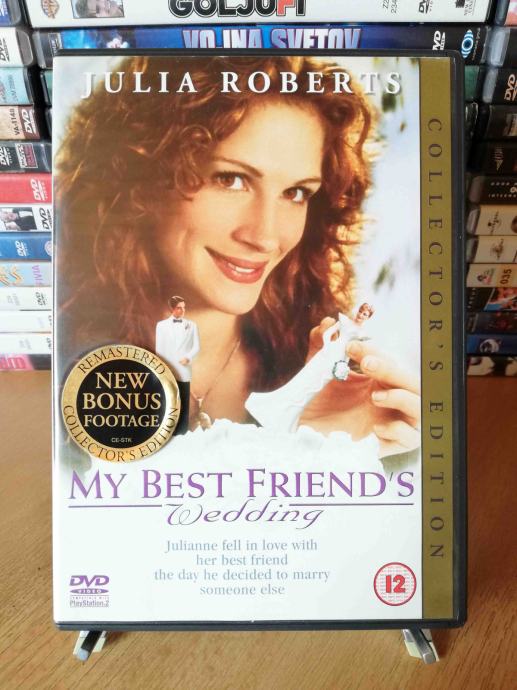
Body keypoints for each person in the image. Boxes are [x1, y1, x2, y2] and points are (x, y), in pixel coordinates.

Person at [55, 55, 420, 459]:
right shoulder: (62, 353)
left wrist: (329, 452)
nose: (265, 237)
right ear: (142, 178)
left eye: (296, 193)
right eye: (230, 179)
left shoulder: (318, 372)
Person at [155, 296, 200, 433]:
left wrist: (188, 357)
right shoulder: (161, 326)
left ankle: (183, 431)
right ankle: (168, 430)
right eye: (179, 308)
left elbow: (196, 347)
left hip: (184, 369)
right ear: (172, 309)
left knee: (184, 400)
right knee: (168, 400)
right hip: (168, 370)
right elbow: (159, 350)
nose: (182, 310)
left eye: (184, 308)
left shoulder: (191, 325)